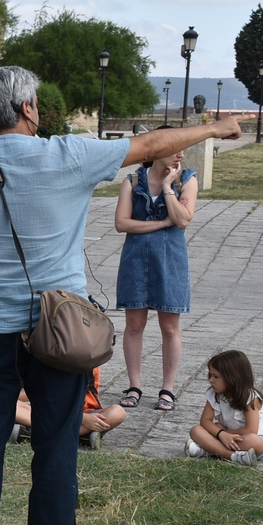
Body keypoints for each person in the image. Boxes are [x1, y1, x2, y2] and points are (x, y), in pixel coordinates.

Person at [0, 65, 241, 525]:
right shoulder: (65, 154)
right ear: (26, 109)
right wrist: (211, 129)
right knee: (57, 442)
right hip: (62, 328)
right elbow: (153, 144)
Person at [114, 145, 197, 412]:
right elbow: (122, 223)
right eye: (174, 150)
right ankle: (134, 385)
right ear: (157, 149)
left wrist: (169, 187)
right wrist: (161, 224)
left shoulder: (188, 179)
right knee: (134, 325)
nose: (180, 155)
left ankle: (167, 389)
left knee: (170, 327)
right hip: (135, 260)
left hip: (170, 260)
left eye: (183, 150)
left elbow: (183, 219)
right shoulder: (133, 180)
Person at [185, 350, 263, 467]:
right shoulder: (214, 393)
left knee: (253, 441)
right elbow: (205, 421)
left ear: (233, 378)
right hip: (223, 436)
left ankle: (209, 450)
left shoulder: (250, 398)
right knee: (196, 430)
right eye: (210, 375)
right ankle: (233, 456)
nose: (211, 379)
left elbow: (251, 430)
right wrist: (221, 434)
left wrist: (225, 434)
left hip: (246, 439)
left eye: (216, 376)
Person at [13, 368, 126, 449]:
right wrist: (81, 418)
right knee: (12, 406)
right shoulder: (47, 358)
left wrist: (81, 416)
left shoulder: (89, 359)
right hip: (51, 413)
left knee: (118, 412)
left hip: (87, 414)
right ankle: (81, 436)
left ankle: (36, 433)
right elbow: (39, 394)